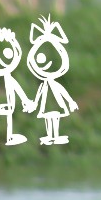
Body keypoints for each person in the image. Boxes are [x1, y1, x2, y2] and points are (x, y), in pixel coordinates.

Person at [23, 15, 78, 145]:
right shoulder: (45, 84)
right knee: (49, 118)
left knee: (54, 118)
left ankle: (55, 136)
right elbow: (40, 94)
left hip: (55, 102)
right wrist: (34, 104)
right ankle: (51, 136)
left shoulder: (52, 83)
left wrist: (70, 102)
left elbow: (62, 91)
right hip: (47, 104)